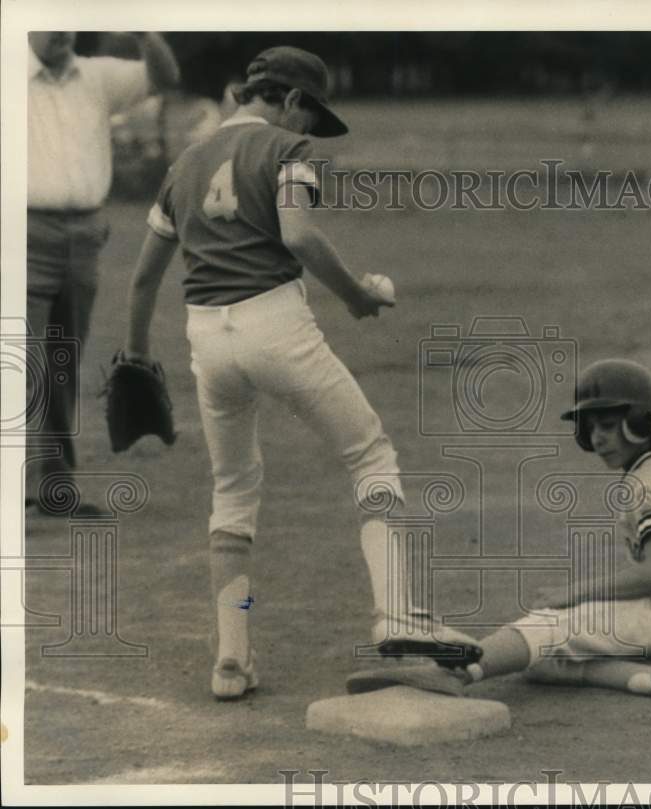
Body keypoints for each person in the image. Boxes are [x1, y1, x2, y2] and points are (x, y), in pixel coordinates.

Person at [123, 46, 478, 700]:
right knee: (370, 452)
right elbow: (301, 236)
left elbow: (144, 279)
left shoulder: (185, 163)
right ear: (287, 100)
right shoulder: (286, 151)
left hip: (208, 337)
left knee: (232, 492)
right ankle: (397, 613)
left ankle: (231, 658)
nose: (310, 132)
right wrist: (357, 294)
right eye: (309, 116)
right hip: (276, 323)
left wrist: (137, 357)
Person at [346, 359, 651, 709]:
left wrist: (572, 595)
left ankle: (453, 673)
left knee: (551, 623)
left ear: (640, 422)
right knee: (544, 661)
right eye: (590, 429)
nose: (596, 439)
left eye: (607, 426)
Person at [26, 31, 180, 517]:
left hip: (84, 235)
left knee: (62, 363)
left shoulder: (95, 75)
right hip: (22, 233)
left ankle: (54, 489)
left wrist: (143, 31)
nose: (61, 31)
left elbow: (165, 77)